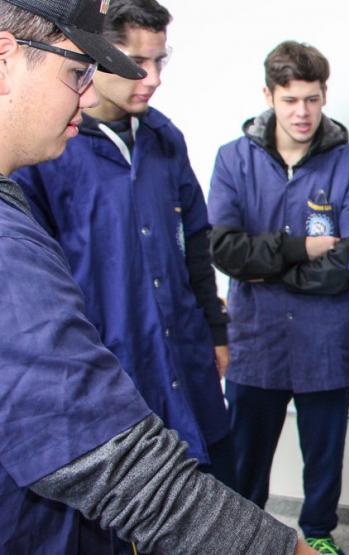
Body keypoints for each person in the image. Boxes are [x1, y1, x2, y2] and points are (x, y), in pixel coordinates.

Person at [0, 0, 316, 553]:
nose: (90, 90)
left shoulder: (165, 139)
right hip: (108, 379)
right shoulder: (36, 185)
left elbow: (197, 243)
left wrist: (215, 332)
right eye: (79, 71)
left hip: (180, 366)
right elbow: (116, 466)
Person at [207, 40, 349, 555]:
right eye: (290, 99)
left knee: (324, 455)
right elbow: (224, 249)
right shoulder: (234, 160)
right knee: (246, 457)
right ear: (269, 96)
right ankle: (242, 539)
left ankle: (319, 536)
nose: (302, 112)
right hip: (256, 342)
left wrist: (273, 272)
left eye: (312, 99)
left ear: (325, 96)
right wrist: (299, 250)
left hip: (327, 340)